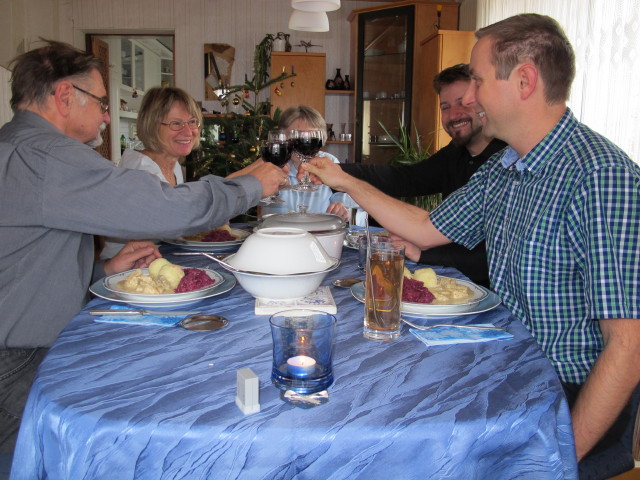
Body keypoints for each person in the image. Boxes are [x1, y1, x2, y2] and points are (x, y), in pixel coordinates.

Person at [302, 14, 640, 474]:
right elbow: (424, 228)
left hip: (562, 397)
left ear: (524, 80)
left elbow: (628, 347)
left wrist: (558, 457)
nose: (472, 98)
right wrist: (343, 179)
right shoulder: (506, 168)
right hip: (508, 366)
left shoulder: (602, 177)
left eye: (478, 82)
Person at [0, 40, 286, 458]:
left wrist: (104, 270)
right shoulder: (45, 156)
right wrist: (251, 186)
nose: (106, 113)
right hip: (17, 361)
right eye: (99, 102)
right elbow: (164, 208)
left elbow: (26, 261)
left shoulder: (19, 149)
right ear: (64, 96)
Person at [341, 64, 506, 287]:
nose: (454, 115)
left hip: (489, 293)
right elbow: (405, 179)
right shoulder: (457, 153)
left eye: (463, 102)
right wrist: (336, 172)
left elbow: (493, 257)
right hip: (457, 278)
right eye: (445, 107)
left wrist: (423, 253)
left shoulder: (507, 162)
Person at [100, 86, 201, 259]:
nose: (188, 131)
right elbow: (170, 222)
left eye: (192, 122)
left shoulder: (173, 164)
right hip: (127, 270)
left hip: (160, 257)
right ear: (153, 126)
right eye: (176, 123)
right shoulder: (139, 170)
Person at [260, 105, 357, 221]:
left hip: (318, 234)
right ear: (281, 137)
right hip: (277, 234)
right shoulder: (270, 162)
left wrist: (342, 209)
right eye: (297, 134)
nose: (305, 141)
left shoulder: (329, 163)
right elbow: (256, 200)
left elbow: (347, 202)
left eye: (312, 135)